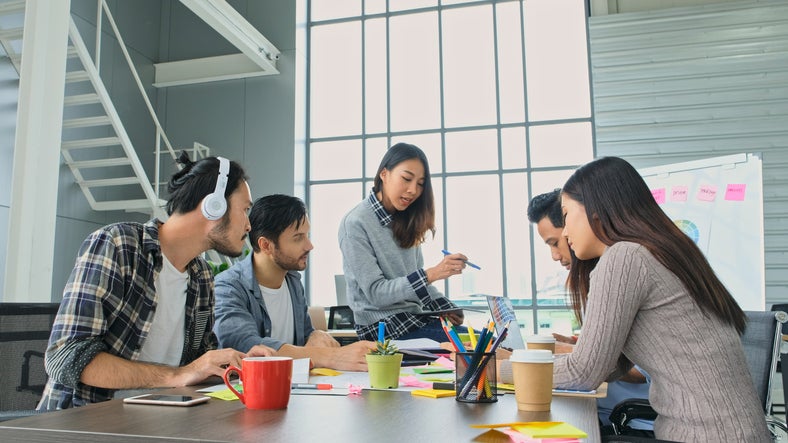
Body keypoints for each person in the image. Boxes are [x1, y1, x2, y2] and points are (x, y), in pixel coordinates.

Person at [555, 156, 769, 442]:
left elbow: (583, 373)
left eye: (566, 215)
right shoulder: (661, 251)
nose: (565, 231)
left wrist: (499, 370)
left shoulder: (625, 257)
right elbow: (607, 365)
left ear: (595, 208)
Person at [38, 153, 272, 410]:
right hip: (88, 422)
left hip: (165, 418)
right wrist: (176, 375)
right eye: (246, 209)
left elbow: (197, 367)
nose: (249, 225)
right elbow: (66, 357)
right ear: (213, 205)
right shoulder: (118, 245)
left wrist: (242, 366)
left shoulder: (202, 276)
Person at [527, 189, 653, 434]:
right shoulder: (608, 268)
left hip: (634, 416)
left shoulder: (621, 265)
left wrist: (507, 367)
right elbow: (615, 353)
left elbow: (599, 369)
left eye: (555, 243)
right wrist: (577, 344)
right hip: (616, 408)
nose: (554, 255)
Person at [214, 194, 376, 371]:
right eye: (298, 237)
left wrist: (316, 334)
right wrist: (334, 357)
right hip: (244, 394)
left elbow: (305, 338)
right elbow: (248, 346)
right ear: (266, 245)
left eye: (307, 235)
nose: (309, 245)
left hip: (294, 389)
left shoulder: (292, 281)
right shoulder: (228, 288)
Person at [338, 142, 468, 343]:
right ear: (384, 174)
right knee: (486, 350)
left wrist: (444, 306)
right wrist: (431, 274)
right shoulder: (355, 223)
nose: (413, 190)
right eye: (406, 178)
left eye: (420, 183)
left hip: (415, 319)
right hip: (382, 328)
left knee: (489, 344)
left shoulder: (406, 220)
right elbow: (376, 293)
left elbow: (415, 284)